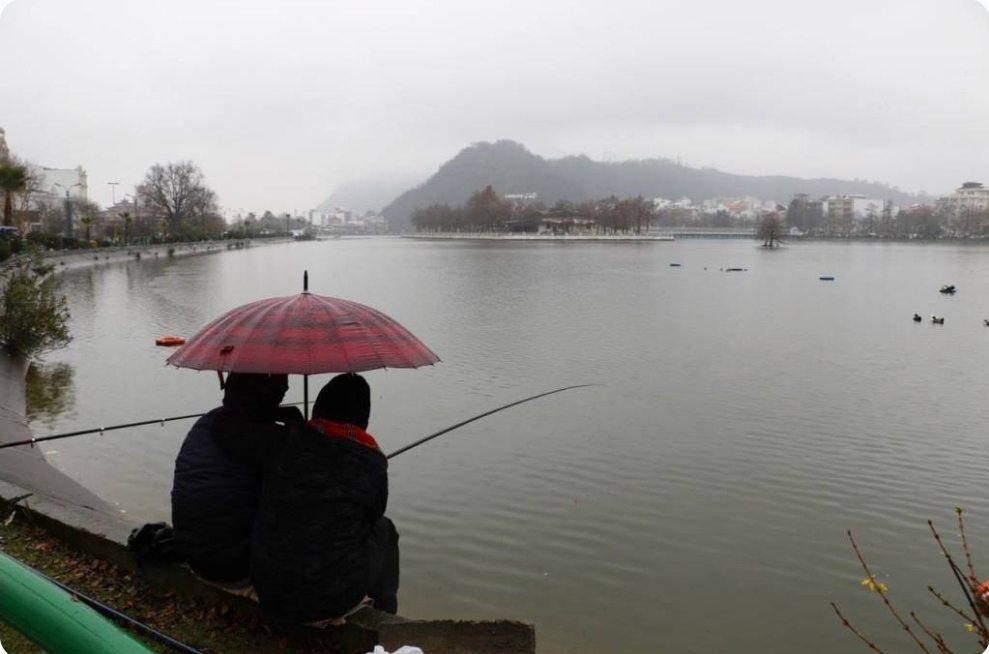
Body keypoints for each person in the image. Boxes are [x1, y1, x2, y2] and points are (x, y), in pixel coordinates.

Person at [251, 372, 400, 627]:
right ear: (363, 416)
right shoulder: (370, 460)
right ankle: (385, 617)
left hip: (268, 587)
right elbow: (374, 514)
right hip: (330, 599)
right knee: (385, 529)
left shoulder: (284, 441)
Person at [171, 372, 302, 594]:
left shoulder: (206, 422)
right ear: (268, 396)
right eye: (281, 388)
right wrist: (299, 432)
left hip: (194, 556)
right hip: (236, 569)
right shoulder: (271, 441)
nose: (284, 392)